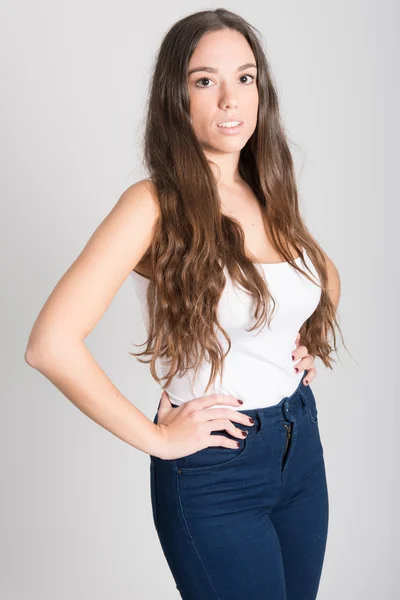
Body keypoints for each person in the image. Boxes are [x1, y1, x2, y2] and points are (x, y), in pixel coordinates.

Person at [25, 8, 342, 600]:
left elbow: (320, 276)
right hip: (218, 472)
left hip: (300, 448)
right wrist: (162, 441)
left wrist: (301, 341)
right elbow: (50, 345)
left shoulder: (266, 185)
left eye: (244, 78)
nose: (230, 99)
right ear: (177, 97)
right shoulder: (153, 204)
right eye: (205, 80)